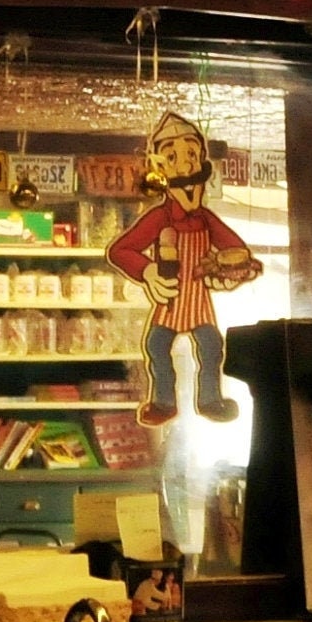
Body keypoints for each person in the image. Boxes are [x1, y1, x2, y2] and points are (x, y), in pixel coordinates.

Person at [104, 109, 260, 425]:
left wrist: (228, 272)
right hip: (170, 300)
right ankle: (163, 401)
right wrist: (148, 271)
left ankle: (210, 400)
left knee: (212, 348)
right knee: (156, 346)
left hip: (199, 301)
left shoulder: (207, 218)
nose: (186, 165)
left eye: (191, 154)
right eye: (173, 156)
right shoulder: (158, 218)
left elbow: (237, 250)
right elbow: (121, 250)